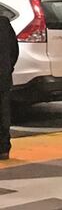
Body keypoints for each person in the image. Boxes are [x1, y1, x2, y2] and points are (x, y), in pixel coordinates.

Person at [0, 15, 18, 160]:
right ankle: (3, 148)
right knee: (3, 111)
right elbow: (14, 50)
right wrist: (8, 68)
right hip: (3, 76)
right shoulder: (3, 22)